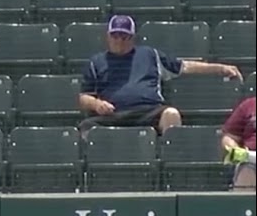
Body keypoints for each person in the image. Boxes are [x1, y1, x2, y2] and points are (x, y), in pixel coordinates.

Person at [79, 15, 242, 134]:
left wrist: (220, 68)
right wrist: (97, 104)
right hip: (113, 114)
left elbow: (184, 66)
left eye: (124, 36)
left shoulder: (151, 55)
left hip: (148, 111)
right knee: (87, 128)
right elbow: (84, 97)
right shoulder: (96, 62)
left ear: (133, 37)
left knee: (171, 114)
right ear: (108, 36)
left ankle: (172, 164)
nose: (119, 40)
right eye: (115, 35)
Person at [222, 96, 256, 190]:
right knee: (247, 170)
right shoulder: (249, 105)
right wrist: (236, 152)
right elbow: (229, 137)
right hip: (251, 159)